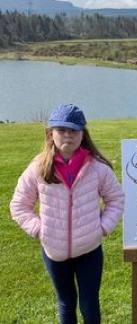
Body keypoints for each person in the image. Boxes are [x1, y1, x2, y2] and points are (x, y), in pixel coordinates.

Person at [10, 104, 124, 324]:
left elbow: (116, 199)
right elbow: (19, 205)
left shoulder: (98, 168)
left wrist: (102, 227)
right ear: (51, 133)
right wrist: (39, 230)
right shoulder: (38, 168)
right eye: (62, 130)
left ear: (83, 134)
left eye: (74, 130)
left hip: (90, 250)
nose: (68, 136)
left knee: (90, 303)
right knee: (66, 302)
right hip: (54, 252)